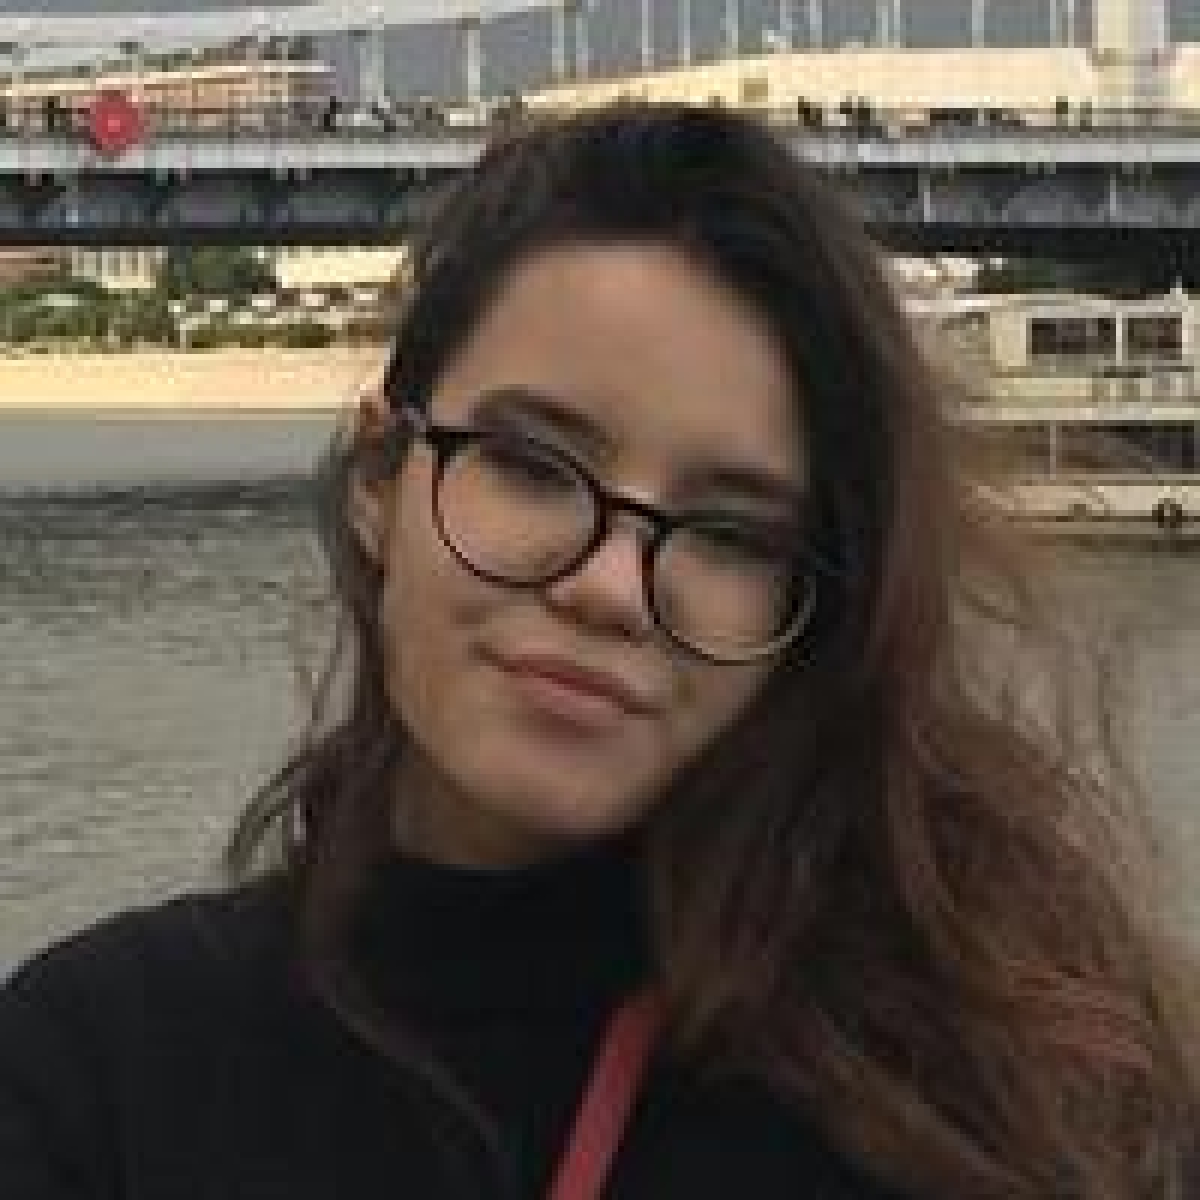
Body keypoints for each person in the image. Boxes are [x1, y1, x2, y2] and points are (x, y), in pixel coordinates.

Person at [2, 102, 1197, 1200]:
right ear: (378, 475)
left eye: (730, 534)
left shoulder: (998, 1102)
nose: (611, 587)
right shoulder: (91, 1076)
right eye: (533, 465)